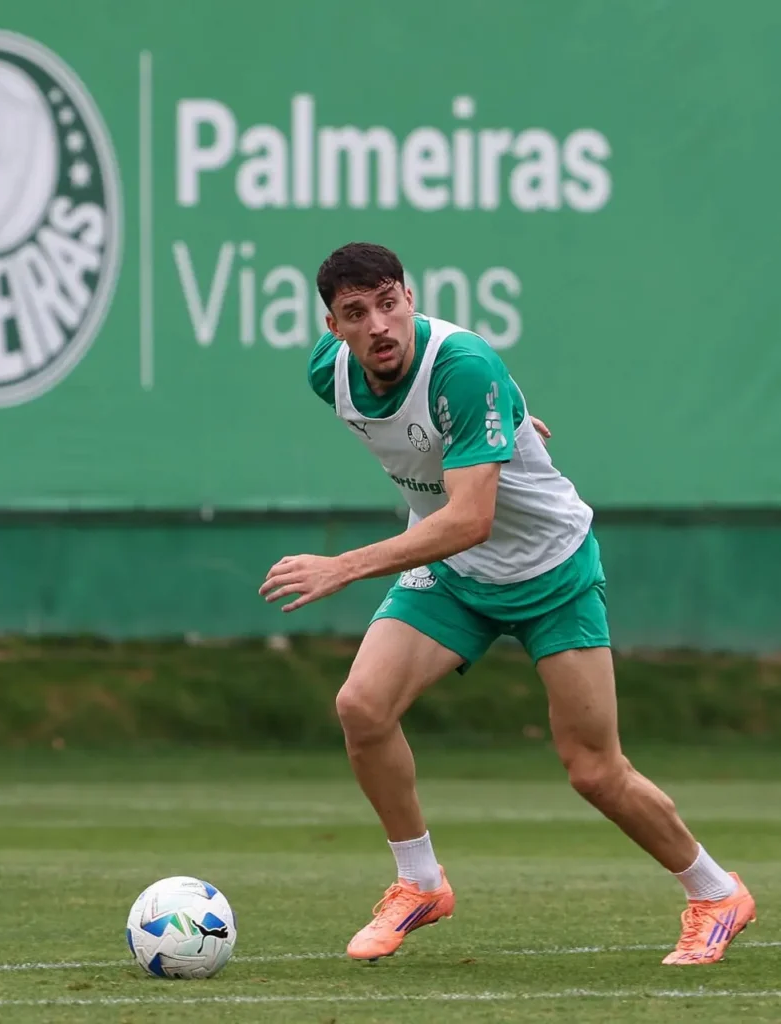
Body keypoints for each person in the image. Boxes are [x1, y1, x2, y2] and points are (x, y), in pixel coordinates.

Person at [259, 241, 755, 966]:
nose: (379, 326)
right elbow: (458, 493)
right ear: (333, 327)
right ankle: (420, 883)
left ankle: (716, 893)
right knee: (361, 708)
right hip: (455, 574)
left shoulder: (462, 366)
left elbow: (471, 518)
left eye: (390, 302)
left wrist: (346, 565)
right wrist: (512, 419)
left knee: (593, 769)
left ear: (410, 296)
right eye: (355, 314)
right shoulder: (327, 374)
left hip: (548, 570)